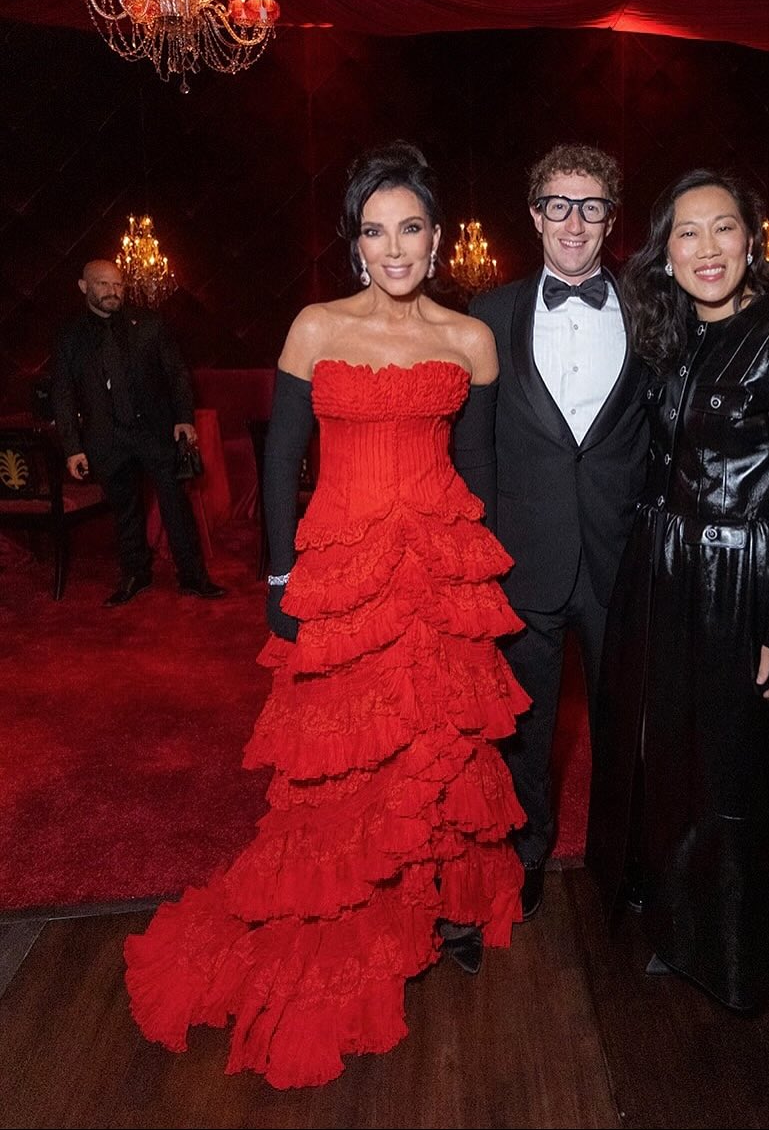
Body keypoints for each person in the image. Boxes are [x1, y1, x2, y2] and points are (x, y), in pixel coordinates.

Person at [123, 142, 530, 1088]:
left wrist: (482, 583)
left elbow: (481, 471)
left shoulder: (470, 340)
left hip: (435, 562)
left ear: (437, 240)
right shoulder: (314, 327)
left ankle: (444, 903)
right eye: (376, 231)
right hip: (342, 565)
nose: (396, 248)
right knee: (345, 759)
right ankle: (353, 910)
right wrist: (277, 584)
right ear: (356, 244)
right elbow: (279, 462)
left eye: (412, 228)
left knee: (440, 742)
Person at [585, 168, 769, 1014]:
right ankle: (682, 928)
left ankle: (738, 956)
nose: (706, 248)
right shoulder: (675, 337)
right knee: (679, 761)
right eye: (687, 233)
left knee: (736, 772)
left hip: (746, 578)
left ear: (751, 239)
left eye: (722, 228)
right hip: (671, 574)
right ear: (666, 252)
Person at [469, 143, 649, 921]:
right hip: (523, 560)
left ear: (613, 217)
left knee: (626, 727)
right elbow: (470, 448)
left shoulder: (653, 310)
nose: (574, 222)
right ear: (535, 213)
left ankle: (624, 859)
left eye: (592, 205)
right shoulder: (489, 313)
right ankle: (527, 849)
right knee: (526, 727)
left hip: (624, 559)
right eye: (559, 204)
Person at [50, 259, 224, 605]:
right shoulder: (70, 336)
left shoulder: (148, 324)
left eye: (118, 285)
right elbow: (62, 392)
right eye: (103, 285)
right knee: (125, 511)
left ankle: (193, 576)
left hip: (155, 431)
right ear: (84, 287)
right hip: (107, 437)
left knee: (176, 507)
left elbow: (176, 373)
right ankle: (135, 575)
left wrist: (184, 418)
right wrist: (72, 447)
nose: (113, 292)